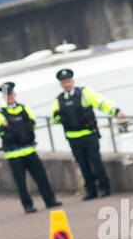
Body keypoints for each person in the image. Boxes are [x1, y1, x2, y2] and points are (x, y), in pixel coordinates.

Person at [0, 82, 61, 214]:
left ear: (14, 94)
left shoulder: (24, 108)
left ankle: (50, 200)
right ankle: (27, 205)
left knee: (41, 177)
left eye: (11, 94)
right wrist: (1, 127)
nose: (9, 97)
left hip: (29, 149)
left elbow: (33, 122)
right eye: (6, 95)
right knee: (21, 182)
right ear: (3, 97)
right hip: (13, 154)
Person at [50, 68, 122, 200]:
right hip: (73, 137)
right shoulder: (58, 100)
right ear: (61, 84)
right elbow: (54, 120)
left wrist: (115, 111)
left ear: (72, 81)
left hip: (89, 134)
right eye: (63, 82)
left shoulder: (84, 93)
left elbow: (101, 103)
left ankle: (104, 187)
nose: (66, 84)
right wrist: (57, 115)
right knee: (83, 165)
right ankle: (91, 190)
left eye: (68, 81)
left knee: (96, 162)